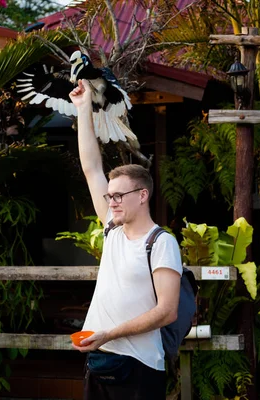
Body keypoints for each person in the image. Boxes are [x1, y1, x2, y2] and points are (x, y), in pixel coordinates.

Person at [69, 80, 183, 400]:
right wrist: (83, 108)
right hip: (99, 358)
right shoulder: (111, 229)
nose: (112, 201)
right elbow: (92, 168)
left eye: (119, 195)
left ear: (142, 195)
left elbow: (167, 311)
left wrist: (110, 333)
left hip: (140, 366)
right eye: (110, 196)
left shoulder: (161, 243)